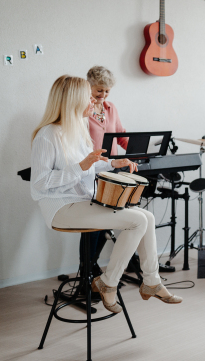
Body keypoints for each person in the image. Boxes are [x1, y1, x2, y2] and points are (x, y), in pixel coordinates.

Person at [30, 75, 182, 313]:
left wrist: (114, 163)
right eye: (88, 98)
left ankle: (151, 281)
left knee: (147, 217)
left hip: (81, 202)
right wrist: (79, 167)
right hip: (59, 208)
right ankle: (108, 282)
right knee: (137, 220)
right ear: (73, 101)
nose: (93, 102)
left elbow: (89, 165)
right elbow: (39, 183)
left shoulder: (78, 131)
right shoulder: (47, 135)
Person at [85, 66, 128, 274]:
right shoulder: (81, 110)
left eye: (107, 91)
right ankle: (86, 268)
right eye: (99, 90)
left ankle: (93, 264)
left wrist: (138, 151)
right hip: (91, 172)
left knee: (106, 221)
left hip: (112, 171)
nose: (103, 95)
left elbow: (121, 136)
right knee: (92, 223)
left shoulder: (111, 108)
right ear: (89, 86)